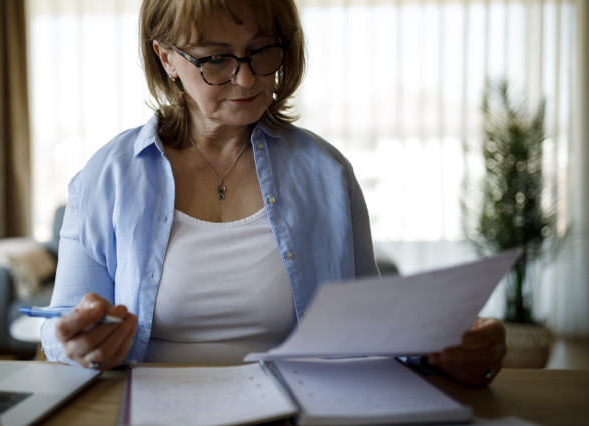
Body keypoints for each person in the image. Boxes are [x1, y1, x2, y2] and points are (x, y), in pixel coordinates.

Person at [41, 0, 507, 387]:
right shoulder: (108, 177)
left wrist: (441, 351)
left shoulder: (327, 174)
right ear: (166, 58)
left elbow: (372, 334)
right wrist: (75, 342)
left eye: (262, 50)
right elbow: (57, 331)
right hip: (153, 417)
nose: (246, 79)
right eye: (216, 59)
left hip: (297, 415)